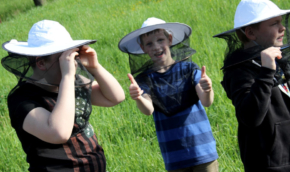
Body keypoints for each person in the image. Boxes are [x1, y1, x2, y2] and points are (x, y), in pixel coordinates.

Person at [213, 0, 290, 172]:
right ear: (251, 32)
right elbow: (250, 117)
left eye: (281, 22)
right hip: (270, 166)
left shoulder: (278, 60)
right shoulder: (240, 71)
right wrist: (266, 72)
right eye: (274, 23)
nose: (283, 28)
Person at [1, 20, 125, 172]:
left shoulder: (73, 82)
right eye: (64, 58)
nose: (73, 64)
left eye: (74, 55)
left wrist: (95, 68)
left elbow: (115, 97)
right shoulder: (22, 99)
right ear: (41, 63)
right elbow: (59, 132)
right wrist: (67, 76)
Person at [118, 17, 219, 172]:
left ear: (170, 39)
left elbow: (206, 101)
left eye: (160, 40)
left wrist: (207, 89)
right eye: (149, 43)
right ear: (142, 48)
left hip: (202, 149)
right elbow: (148, 110)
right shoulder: (145, 79)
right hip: (173, 155)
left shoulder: (189, 69)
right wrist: (138, 97)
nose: (156, 46)